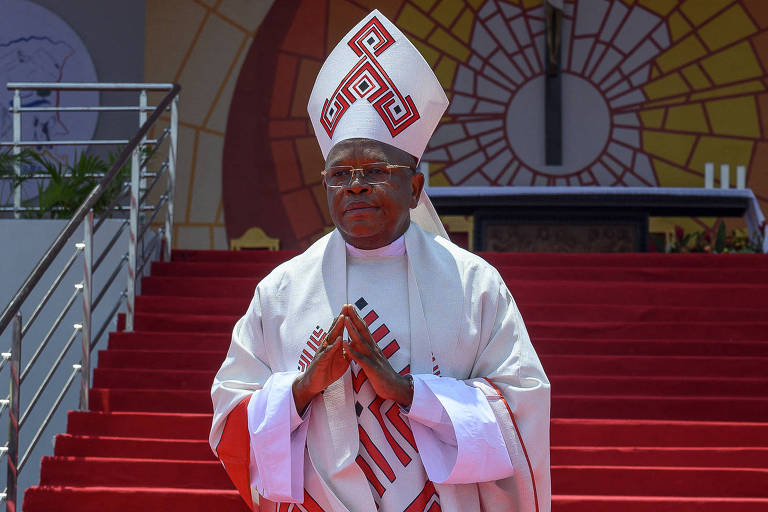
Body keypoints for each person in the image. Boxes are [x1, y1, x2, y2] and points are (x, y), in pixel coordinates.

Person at [210, 10, 550, 512]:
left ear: (414, 188)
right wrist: (302, 388)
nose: (357, 185)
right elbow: (231, 413)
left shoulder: (474, 284)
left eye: (375, 169)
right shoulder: (281, 291)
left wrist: (411, 393)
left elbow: (522, 408)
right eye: (340, 173)